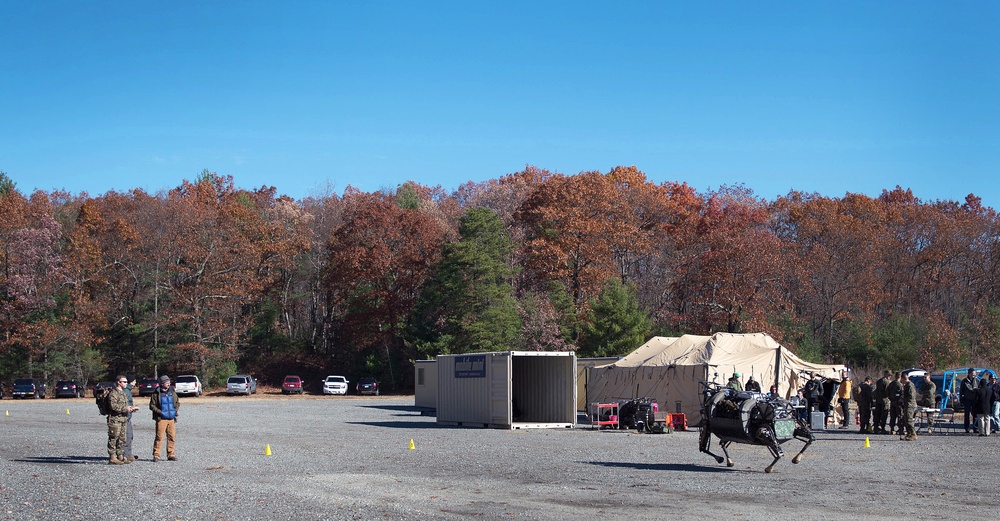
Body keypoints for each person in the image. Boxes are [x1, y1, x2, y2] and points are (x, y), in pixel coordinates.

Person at [107, 374, 139, 465]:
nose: (126, 383)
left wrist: (131, 409)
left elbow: (125, 405)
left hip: (123, 419)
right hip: (115, 419)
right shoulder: (113, 393)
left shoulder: (123, 393)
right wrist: (125, 409)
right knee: (113, 438)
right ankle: (112, 457)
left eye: (126, 382)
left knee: (122, 439)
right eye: (124, 382)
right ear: (118, 382)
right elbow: (113, 406)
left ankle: (120, 456)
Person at [149, 374, 180, 462]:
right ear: (162, 383)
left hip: (171, 419)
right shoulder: (156, 393)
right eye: (166, 382)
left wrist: (175, 411)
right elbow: (152, 406)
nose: (168, 383)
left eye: (169, 382)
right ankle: (156, 455)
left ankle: (171, 454)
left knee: (172, 437)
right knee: (159, 437)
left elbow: (177, 402)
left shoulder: (172, 391)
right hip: (161, 419)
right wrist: (160, 412)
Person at [123, 374, 139, 462]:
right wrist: (130, 409)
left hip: (127, 416)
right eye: (135, 380)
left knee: (129, 435)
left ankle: (127, 454)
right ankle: (126, 455)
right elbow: (124, 404)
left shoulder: (127, 390)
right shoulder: (126, 391)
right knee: (128, 436)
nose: (135, 382)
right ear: (131, 381)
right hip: (125, 417)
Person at [899, 372, 918, 441]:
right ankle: (909, 433)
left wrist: (904, 398)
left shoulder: (910, 385)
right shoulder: (906, 385)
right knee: (906, 419)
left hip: (910, 404)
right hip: (907, 404)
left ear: (903, 378)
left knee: (909, 419)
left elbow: (911, 396)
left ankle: (913, 434)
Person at [960, 368, 979, 434]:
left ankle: (975, 428)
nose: (974, 376)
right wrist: (961, 400)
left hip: (974, 400)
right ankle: (967, 428)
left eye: (974, 374)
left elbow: (979, 390)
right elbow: (961, 391)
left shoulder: (977, 380)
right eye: (973, 374)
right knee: (967, 415)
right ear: (969, 374)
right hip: (967, 400)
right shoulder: (964, 381)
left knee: (975, 415)